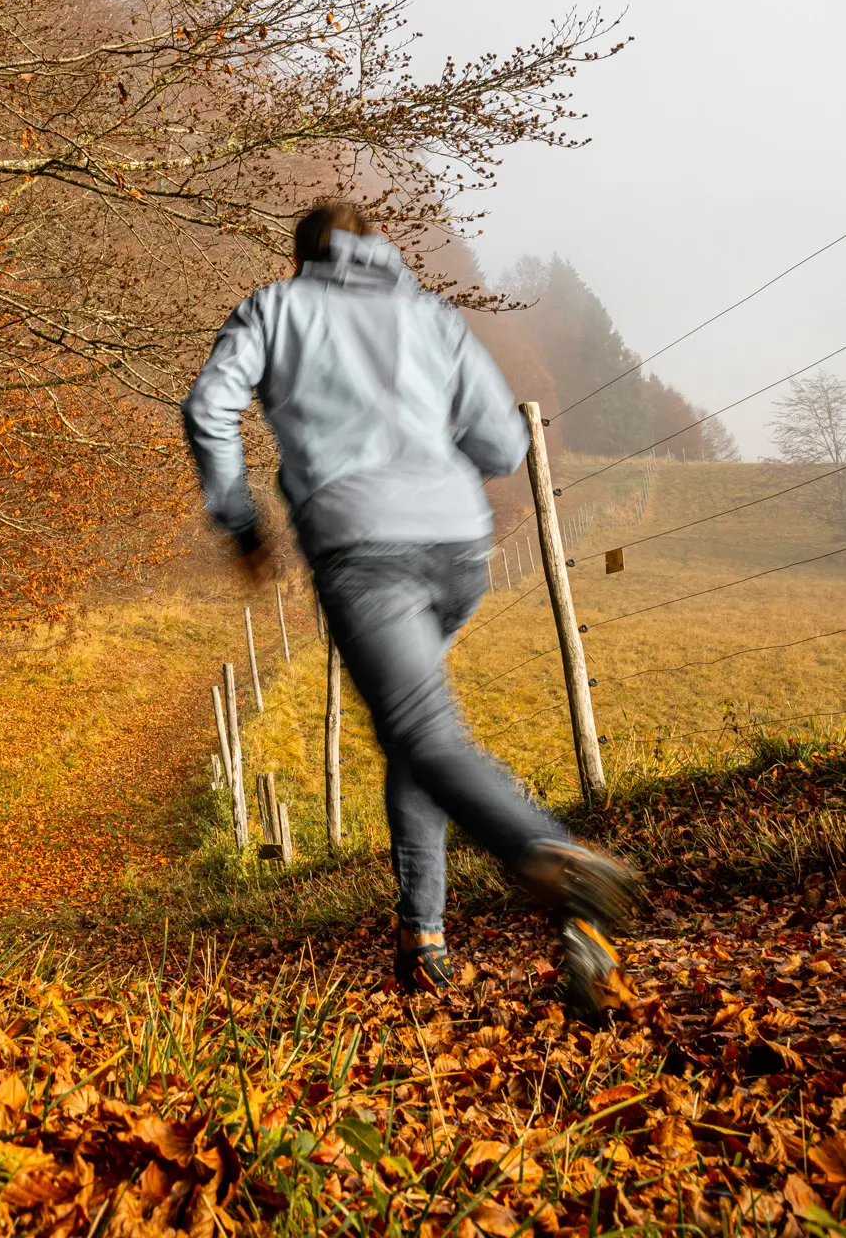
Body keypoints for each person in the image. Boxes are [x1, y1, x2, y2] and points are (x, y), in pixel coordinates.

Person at [182, 199, 638, 1020]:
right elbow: (503, 445)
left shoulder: (274, 309)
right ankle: (423, 937)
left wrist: (240, 519)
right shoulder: (430, 319)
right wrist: (424, 451)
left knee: (420, 732)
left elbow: (208, 407)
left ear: (303, 255)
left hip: (365, 550)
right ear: (376, 249)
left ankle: (556, 861)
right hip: (458, 548)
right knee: (413, 738)